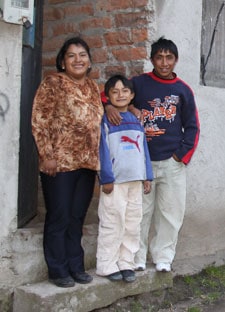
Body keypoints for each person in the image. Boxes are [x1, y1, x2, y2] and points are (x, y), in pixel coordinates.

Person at [104, 37, 200, 273]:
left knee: (170, 212)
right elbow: (110, 94)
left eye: (169, 57)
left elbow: (193, 126)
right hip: (141, 162)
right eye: (159, 57)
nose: (164, 62)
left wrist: (181, 156)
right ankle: (136, 256)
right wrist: (108, 106)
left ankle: (163, 257)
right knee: (140, 212)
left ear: (175, 60)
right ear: (152, 59)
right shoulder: (139, 83)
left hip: (171, 162)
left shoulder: (183, 90)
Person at [31, 37, 104, 287]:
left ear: (90, 61)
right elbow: (40, 119)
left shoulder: (93, 88)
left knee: (76, 218)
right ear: (62, 61)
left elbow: (103, 114)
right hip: (59, 163)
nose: (77, 60)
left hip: (86, 163)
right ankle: (58, 270)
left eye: (82, 55)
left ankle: (76, 266)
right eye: (71, 55)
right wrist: (46, 155)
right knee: (59, 216)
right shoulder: (53, 83)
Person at [96, 74, 153, 283]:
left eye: (125, 91)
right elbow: (102, 149)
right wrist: (106, 178)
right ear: (108, 96)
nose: (120, 95)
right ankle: (106, 264)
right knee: (112, 221)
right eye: (115, 91)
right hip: (115, 182)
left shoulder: (136, 120)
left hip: (135, 182)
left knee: (132, 222)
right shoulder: (106, 120)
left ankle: (126, 262)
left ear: (132, 95)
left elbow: (143, 149)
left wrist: (147, 175)